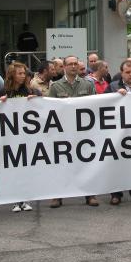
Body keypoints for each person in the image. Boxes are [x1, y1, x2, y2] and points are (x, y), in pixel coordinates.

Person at [47, 56, 97, 208]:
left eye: (76, 64)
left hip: (83, 131)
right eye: (70, 64)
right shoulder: (55, 86)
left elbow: (95, 105)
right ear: (64, 67)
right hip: (63, 132)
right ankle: (57, 195)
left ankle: (90, 195)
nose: (74, 67)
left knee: (85, 163)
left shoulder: (87, 84)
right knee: (61, 163)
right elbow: (50, 109)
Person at [0, 63, 41, 211]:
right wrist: (0, 102)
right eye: (19, 73)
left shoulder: (31, 90)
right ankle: (15, 200)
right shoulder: (4, 91)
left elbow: (43, 106)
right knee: (13, 167)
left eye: (24, 73)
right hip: (10, 136)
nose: (23, 76)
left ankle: (25, 198)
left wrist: (36, 99)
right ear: (12, 75)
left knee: (25, 167)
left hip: (27, 136)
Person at [107, 61, 131, 205]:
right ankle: (116, 194)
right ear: (121, 73)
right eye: (128, 72)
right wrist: (115, 95)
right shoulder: (112, 86)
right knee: (116, 162)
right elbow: (102, 105)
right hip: (117, 132)